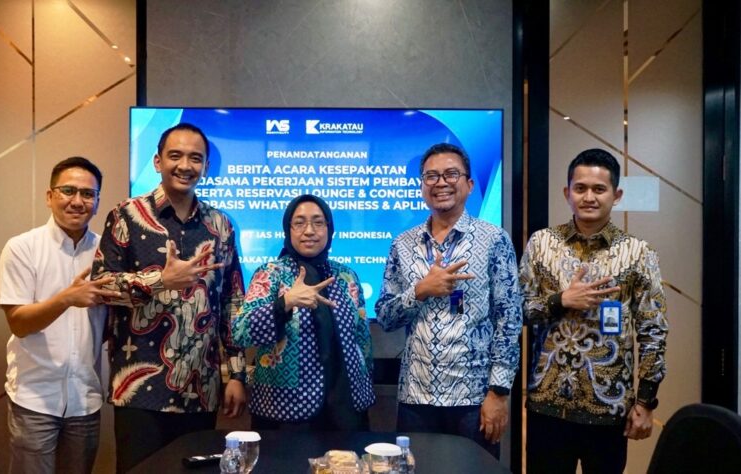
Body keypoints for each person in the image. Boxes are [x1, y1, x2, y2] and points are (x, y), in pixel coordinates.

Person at [92, 123, 247, 472]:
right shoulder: (126, 215)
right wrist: (160, 281)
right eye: (175, 156)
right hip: (139, 388)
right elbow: (101, 286)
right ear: (157, 161)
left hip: (201, 388)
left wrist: (236, 374)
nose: (185, 165)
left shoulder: (220, 225)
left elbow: (232, 303)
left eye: (196, 158)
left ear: (206, 166)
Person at [519, 148, 669, 474]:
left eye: (599, 189)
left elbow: (653, 329)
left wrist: (646, 402)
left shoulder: (638, 253)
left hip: (609, 408)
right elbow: (517, 312)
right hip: (548, 405)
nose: (589, 197)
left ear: (616, 195)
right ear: (567, 193)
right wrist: (560, 301)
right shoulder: (542, 243)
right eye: (580, 188)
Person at [375, 143, 522, 459]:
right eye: (431, 176)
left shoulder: (494, 239)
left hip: (475, 397)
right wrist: (420, 290)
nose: (441, 182)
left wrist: (499, 392)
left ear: (469, 184)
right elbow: (385, 317)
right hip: (416, 397)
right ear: (422, 186)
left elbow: (509, 319)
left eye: (451, 174)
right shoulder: (402, 244)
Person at [0, 157, 117, 474]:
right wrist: (66, 299)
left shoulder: (107, 253)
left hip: (85, 399)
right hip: (35, 399)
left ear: (97, 202)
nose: (77, 201)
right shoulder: (22, 248)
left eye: (88, 194)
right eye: (68, 191)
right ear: (49, 196)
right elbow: (18, 323)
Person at [232, 195, 375, 430]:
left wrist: (365, 385)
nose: (309, 231)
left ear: (329, 229)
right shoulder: (270, 274)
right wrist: (285, 303)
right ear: (288, 229)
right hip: (283, 409)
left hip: (346, 407)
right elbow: (240, 332)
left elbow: (363, 341)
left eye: (318, 222)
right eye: (299, 223)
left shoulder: (346, 276)